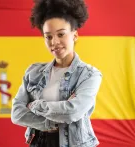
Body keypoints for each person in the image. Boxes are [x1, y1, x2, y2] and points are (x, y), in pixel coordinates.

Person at [11, 0, 102, 146]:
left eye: (61, 34)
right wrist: (53, 119)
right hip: (38, 142)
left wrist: (35, 106)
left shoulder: (89, 75)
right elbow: (16, 114)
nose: (54, 42)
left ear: (75, 35)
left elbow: (73, 112)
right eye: (48, 36)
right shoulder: (33, 72)